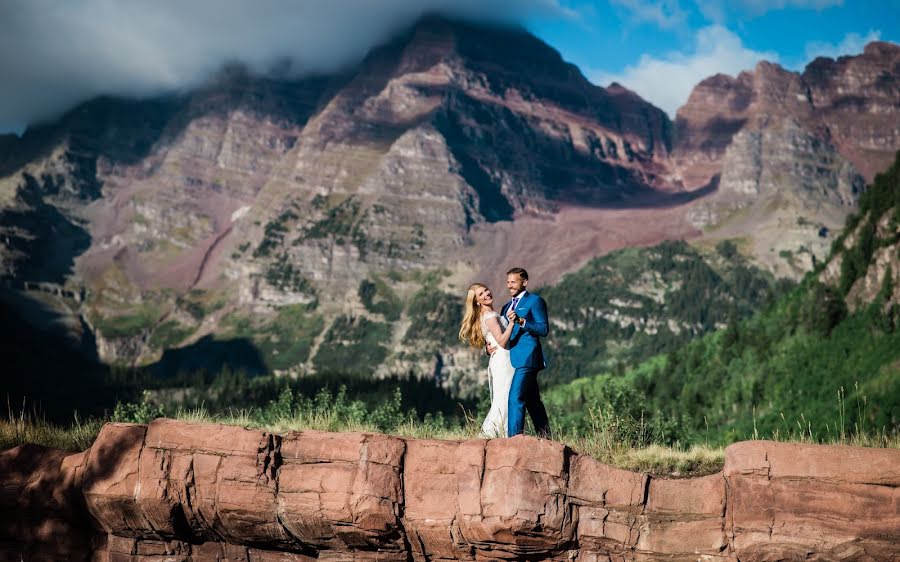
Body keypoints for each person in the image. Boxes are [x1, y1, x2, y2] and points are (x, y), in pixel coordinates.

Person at [498, 267, 551, 438]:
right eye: (508, 282)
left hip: (528, 358)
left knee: (515, 398)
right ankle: (546, 437)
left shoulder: (535, 301)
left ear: (525, 282)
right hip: (510, 358)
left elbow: (543, 329)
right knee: (532, 401)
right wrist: (488, 347)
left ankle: (514, 440)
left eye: (513, 282)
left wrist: (521, 321)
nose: (509, 285)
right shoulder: (506, 307)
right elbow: (501, 333)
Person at [458, 282, 516, 438]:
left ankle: (500, 435)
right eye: (481, 294)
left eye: (486, 290)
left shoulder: (489, 315)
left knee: (502, 398)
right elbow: (502, 341)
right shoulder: (490, 316)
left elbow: (492, 340)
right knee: (504, 399)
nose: (486, 294)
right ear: (477, 302)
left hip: (499, 359)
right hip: (503, 360)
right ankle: (495, 435)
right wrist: (512, 323)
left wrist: (487, 348)